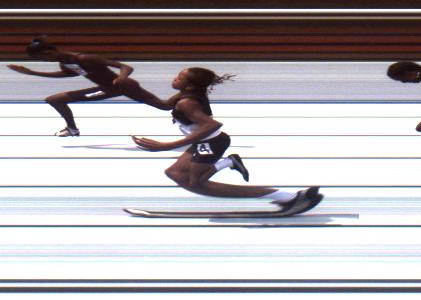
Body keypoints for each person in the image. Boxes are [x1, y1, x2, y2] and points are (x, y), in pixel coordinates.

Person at [130, 67, 321, 213]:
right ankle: (230, 163)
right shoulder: (186, 95)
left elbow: (211, 125)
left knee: (195, 183)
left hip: (210, 144)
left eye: (179, 77)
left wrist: (167, 146)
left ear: (189, 86)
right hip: (206, 143)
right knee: (175, 173)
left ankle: (285, 196)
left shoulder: (186, 102)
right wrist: (133, 91)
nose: (174, 78)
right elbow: (163, 105)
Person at [10, 36, 171, 136]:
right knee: (54, 99)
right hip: (105, 88)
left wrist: (121, 79)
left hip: (123, 86)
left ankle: (185, 95)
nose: (43, 61)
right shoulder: (64, 62)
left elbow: (125, 67)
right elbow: (69, 74)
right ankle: (72, 129)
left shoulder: (83, 58)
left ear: (48, 52)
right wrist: (33, 73)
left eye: (41, 58)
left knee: (164, 106)